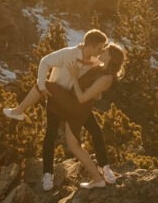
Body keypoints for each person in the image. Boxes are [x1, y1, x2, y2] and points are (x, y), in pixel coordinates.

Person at [3, 29, 116, 190]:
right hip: (56, 98)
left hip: (76, 102)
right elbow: (44, 61)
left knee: (95, 131)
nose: (102, 51)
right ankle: (48, 174)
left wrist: (95, 93)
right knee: (51, 134)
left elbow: (98, 78)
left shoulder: (95, 60)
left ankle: (105, 168)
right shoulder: (69, 54)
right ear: (90, 46)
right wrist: (42, 86)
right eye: (100, 47)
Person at [46, 42, 126, 190]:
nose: (102, 50)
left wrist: (75, 77)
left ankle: (98, 177)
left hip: (78, 107)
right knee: (86, 137)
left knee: (74, 145)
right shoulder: (101, 67)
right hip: (76, 105)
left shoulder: (106, 77)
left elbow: (83, 98)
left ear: (111, 57)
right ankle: (100, 173)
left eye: (106, 49)